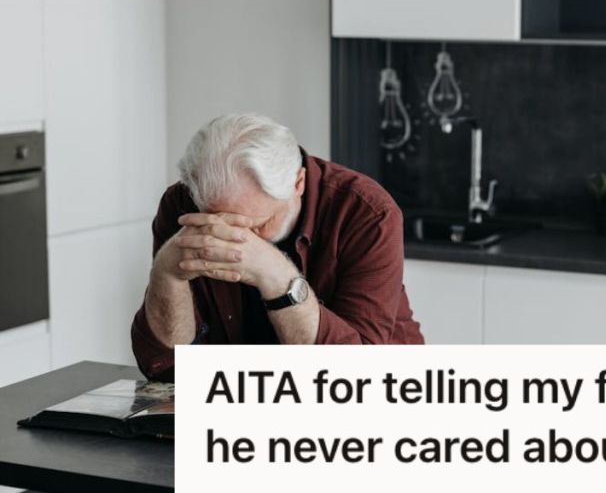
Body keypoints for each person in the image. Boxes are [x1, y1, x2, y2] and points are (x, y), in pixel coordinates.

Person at [131, 114, 424, 382]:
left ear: (298, 184)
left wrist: (276, 276)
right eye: (222, 224)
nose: (239, 241)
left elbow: (352, 378)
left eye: (257, 224)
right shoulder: (182, 206)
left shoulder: (367, 212)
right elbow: (163, 366)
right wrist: (167, 274)